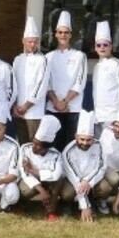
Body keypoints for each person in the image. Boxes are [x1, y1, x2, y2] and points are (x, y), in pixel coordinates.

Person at [45, 12, 88, 147]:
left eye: (66, 32)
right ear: (56, 34)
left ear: (70, 35)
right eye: (60, 32)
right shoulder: (48, 57)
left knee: (70, 145)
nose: (63, 35)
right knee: (53, 145)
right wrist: (56, 102)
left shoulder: (80, 56)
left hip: (73, 108)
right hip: (53, 108)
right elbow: (46, 83)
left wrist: (65, 102)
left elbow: (80, 82)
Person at [61, 112, 108, 220]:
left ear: (93, 138)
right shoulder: (68, 151)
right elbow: (75, 179)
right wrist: (85, 207)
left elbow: (100, 168)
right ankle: (69, 204)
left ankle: (95, 202)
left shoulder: (99, 146)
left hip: (91, 180)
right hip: (73, 181)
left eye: (88, 140)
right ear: (76, 137)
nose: (85, 143)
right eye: (82, 139)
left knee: (106, 187)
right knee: (67, 193)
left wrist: (87, 181)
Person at [20, 118, 67, 220]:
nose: (34, 146)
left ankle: (51, 211)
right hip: (33, 181)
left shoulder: (56, 154)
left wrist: (34, 171)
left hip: (50, 181)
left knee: (58, 181)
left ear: (47, 147)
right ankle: (23, 205)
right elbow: (25, 174)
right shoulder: (25, 149)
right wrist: (41, 190)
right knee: (25, 190)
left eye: (38, 145)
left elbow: (56, 175)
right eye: (34, 142)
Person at [13, 17, 50, 143]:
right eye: (29, 41)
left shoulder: (43, 60)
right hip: (18, 110)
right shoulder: (18, 59)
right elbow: (14, 84)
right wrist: (15, 106)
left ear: (38, 42)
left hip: (34, 111)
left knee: (34, 144)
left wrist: (27, 105)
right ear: (23, 41)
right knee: (22, 143)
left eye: (35, 42)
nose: (32, 45)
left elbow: (41, 85)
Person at [90, 21, 119, 128]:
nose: (102, 47)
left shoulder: (117, 64)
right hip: (99, 117)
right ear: (95, 48)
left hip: (113, 117)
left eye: (105, 45)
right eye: (99, 45)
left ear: (111, 47)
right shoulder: (97, 66)